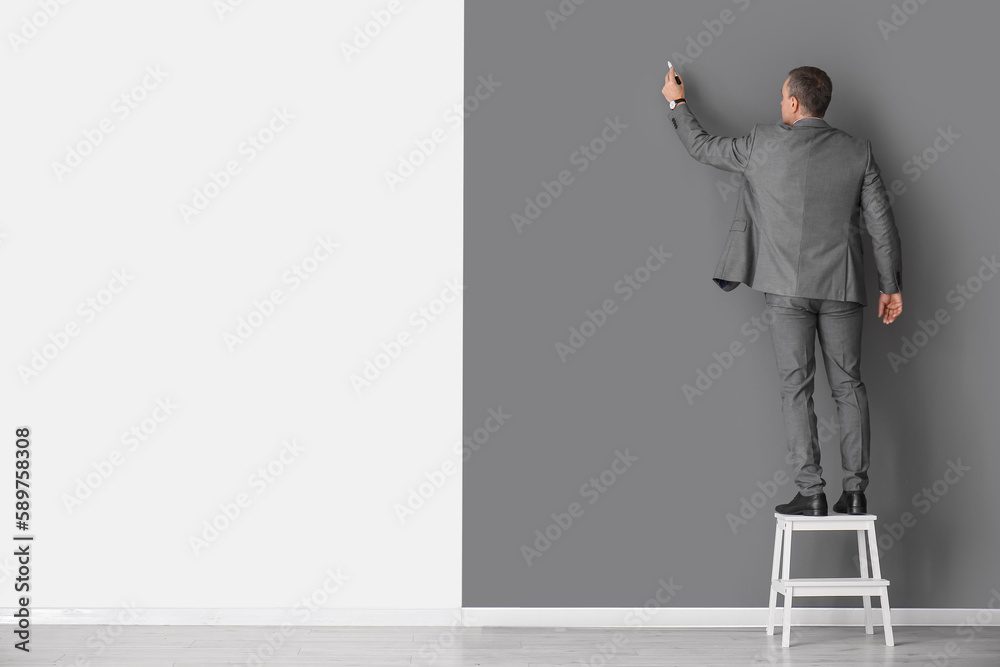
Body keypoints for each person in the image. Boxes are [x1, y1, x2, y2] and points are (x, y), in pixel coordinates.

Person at [662, 65, 903, 516]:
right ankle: (854, 493)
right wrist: (891, 286)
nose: (778, 104)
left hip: (786, 289)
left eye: (781, 97)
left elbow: (702, 147)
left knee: (797, 388)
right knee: (848, 387)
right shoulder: (858, 152)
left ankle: (810, 492)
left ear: (794, 103)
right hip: (843, 288)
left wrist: (677, 102)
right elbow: (882, 228)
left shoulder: (761, 143)